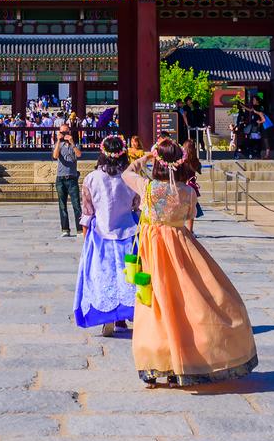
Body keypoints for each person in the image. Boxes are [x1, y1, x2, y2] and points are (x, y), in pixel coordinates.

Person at [123, 138, 258, 387]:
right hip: (181, 246)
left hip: (153, 249)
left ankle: (155, 363)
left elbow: (126, 174)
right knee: (186, 301)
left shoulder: (148, 188)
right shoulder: (187, 192)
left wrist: (143, 160)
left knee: (155, 303)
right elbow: (188, 217)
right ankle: (183, 362)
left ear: (159, 164)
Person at [75, 134, 139, 335]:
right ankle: (124, 317)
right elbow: (136, 206)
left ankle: (107, 318)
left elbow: (87, 212)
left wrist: (86, 239)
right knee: (128, 276)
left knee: (103, 276)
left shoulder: (91, 178)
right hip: (127, 232)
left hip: (101, 234)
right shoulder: (129, 178)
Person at [52, 123, 81, 238]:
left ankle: (79, 229)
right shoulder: (58, 144)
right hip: (60, 178)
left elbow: (78, 155)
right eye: (62, 132)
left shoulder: (75, 145)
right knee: (62, 205)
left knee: (76, 205)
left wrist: (72, 142)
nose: (64, 134)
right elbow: (55, 156)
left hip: (72, 177)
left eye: (66, 132)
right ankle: (65, 229)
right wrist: (58, 141)